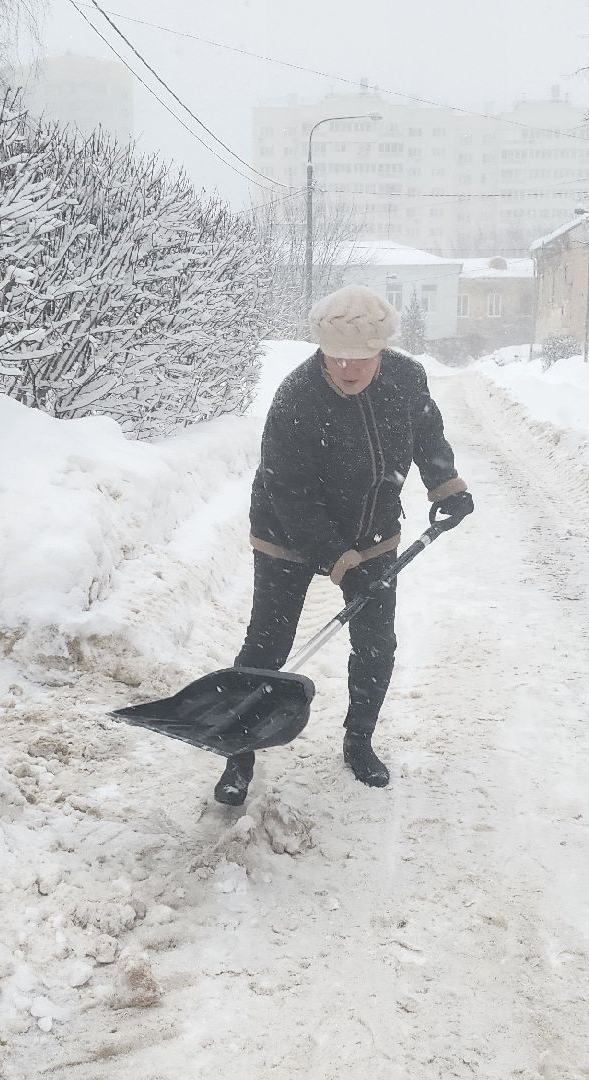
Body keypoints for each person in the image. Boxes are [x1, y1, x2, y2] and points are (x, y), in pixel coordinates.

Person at [215, 284, 474, 805]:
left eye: (361, 358)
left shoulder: (406, 377)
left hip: (373, 528)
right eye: (335, 357)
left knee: (377, 645)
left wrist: (445, 484)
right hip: (286, 535)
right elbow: (290, 492)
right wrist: (336, 560)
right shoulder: (296, 397)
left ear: (381, 350)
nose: (348, 370)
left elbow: (426, 430)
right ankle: (237, 755)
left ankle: (359, 742)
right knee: (268, 644)